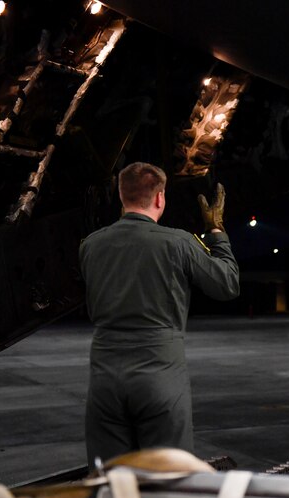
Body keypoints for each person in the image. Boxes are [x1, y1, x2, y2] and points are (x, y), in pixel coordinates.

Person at [79, 162, 239, 469]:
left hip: (104, 374)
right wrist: (216, 231)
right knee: (169, 479)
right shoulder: (178, 242)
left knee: (110, 484)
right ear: (159, 198)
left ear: (121, 195)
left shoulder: (90, 245)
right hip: (159, 370)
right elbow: (227, 284)